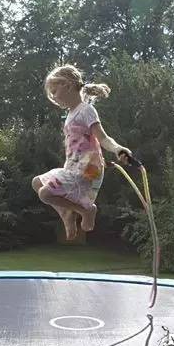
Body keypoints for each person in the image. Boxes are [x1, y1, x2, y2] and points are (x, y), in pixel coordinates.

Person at [32, 64, 133, 240]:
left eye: (54, 91)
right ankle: (66, 213)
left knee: (45, 193)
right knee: (37, 183)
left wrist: (117, 149)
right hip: (73, 167)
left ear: (68, 85)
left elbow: (103, 138)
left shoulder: (86, 110)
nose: (53, 97)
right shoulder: (71, 114)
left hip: (88, 169)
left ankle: (85, 210)